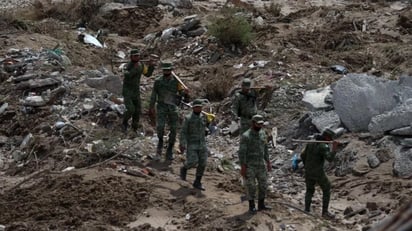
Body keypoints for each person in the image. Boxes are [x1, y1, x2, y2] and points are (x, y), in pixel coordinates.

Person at [149, 61, 187, 160]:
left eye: (168, 70)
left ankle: (170, 148)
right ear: (163, 71)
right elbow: (154, 94)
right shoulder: (158, 81)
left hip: (172, 106)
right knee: (160, 126)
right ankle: (160, 142)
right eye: (165, 70)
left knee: (174, 128)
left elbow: (181, 93)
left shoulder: (176, 81)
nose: (166, 71)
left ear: (171, 70)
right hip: (161, 106)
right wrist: (151, 106)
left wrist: (184, 92)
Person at [300, 129, 339, 219]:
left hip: (308, 170)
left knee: (309, 189)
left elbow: (302, 155)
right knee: (327, 188)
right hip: (318, 172)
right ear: (327, 137)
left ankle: (306, 209)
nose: (330, 140)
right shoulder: (323, 146)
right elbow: (329, 158)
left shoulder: (311, 142)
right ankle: (325, 212)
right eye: (330, 138)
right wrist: (334, 148)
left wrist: (306, 165)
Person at [239, 114, 272, 214]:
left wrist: (268, 161)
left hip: (261, 164)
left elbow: (265, 149)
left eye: (261, 124)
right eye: (258, 124)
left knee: (263, 185)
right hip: (250, 165)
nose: (260, 126)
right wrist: (243, 166)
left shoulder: (263, 134)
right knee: (251, 186)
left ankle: (261, 205)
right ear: (253, 123)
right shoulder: (246, 136)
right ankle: (252, 205)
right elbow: (242, 152)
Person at [122, 49, 156, 133]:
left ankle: (134, 128)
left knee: (137, 111)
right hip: (127, 91)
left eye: (138, 55)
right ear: (131, 57)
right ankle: (124, 123)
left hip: (136, 91)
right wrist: (135, 69)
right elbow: (128, 76)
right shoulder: (126, 66)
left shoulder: (141, 65)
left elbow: (148, 74)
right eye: (135, 56)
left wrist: (151, 66)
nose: (137, 57)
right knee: (130, 109)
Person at [179, 99, 209, 191]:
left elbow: (205, 128)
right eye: (196, 107)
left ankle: (197, 182)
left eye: (200, 107)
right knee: (193, 161)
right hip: (192, 144)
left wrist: (207, 130)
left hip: (202, 144)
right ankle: (184, 168)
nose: (198, 108)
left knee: (203, 163)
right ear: (193, 108)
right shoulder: (188, 118)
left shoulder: (203, 117)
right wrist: (182, 143)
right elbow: (183, 132)